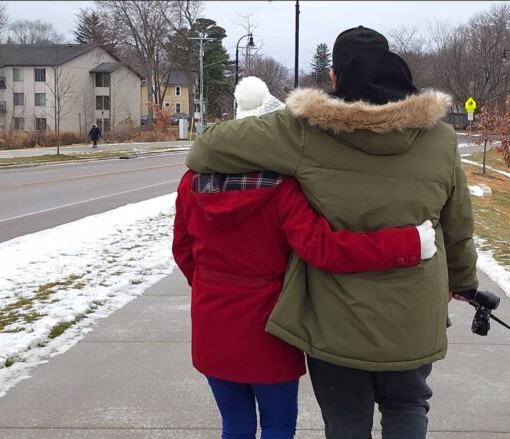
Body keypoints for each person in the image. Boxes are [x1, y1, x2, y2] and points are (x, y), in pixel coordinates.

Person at [186, 26, 478, 439]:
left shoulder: (304, 132)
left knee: (345, 421)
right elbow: (458, 226)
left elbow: (205, 149)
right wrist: (464, 282)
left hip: (336, 320)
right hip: (412, 316)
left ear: (335, 79)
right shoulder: (442, 139)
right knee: (408, 405)